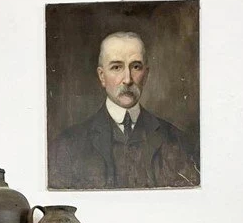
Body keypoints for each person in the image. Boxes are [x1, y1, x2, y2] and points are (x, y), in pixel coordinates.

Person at [48, 31, 200, 189]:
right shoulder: (67, 146)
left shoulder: (179, 142)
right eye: (116, 67)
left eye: (135, 67)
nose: (127, 79)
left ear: (146, 74)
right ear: (102, 76)